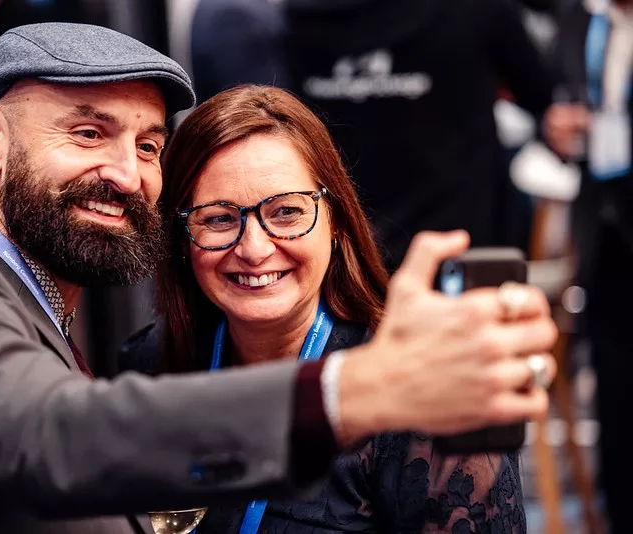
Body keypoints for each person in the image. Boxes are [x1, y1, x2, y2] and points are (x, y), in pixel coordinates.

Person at [0, 22, 557, 534]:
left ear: (335, 221)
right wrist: (360, 390)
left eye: (148, 144)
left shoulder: (44, 324)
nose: (123, 171)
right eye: (87, 132)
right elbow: (55, 437)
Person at [118, 84, 548, 532]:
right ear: (182, 240)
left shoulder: (424, 403)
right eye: (219, 218)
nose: (254, 248)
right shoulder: (151, 369)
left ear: (336, 222)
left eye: (286, 212)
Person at [189, 0, 557, 272]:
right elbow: (544, 98)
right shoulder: (477, 10)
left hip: (350, 254)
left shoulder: (295, 17)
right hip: (457, 254)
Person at [544, 1, 633, 531]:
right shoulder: (581, 19)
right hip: (601, 236)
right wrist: (554, 129)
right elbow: (555, 104)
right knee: (615, 392)